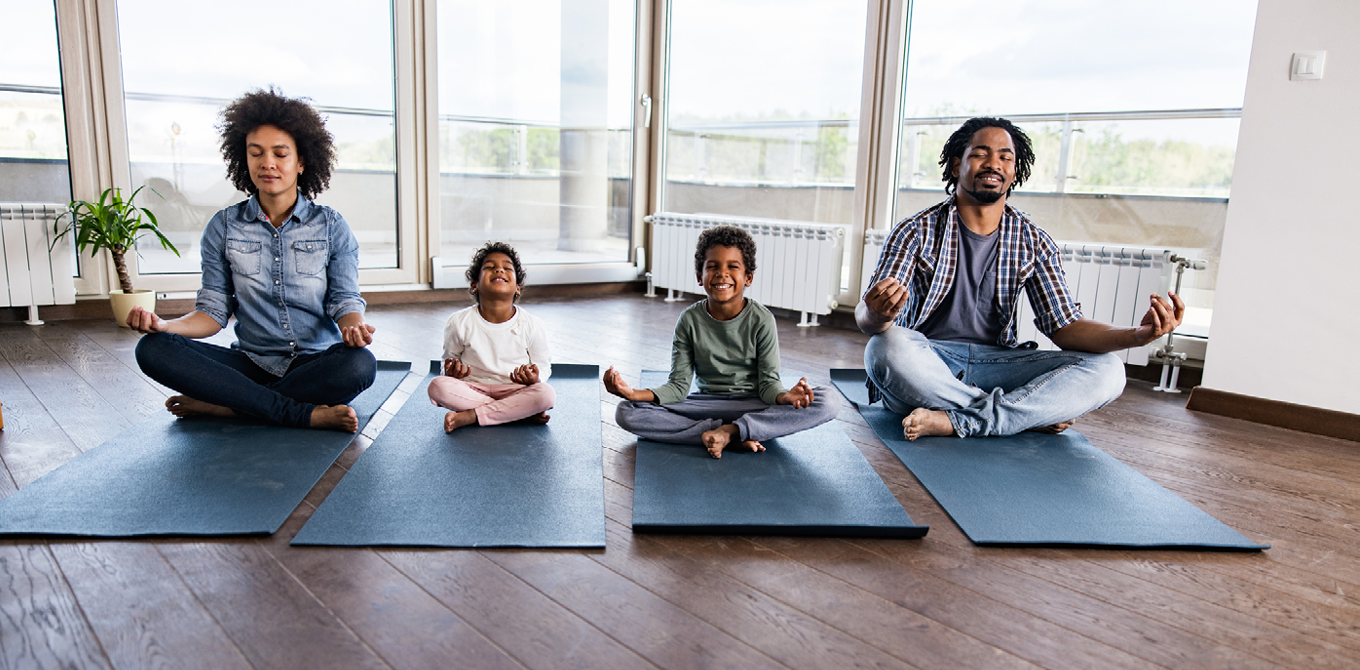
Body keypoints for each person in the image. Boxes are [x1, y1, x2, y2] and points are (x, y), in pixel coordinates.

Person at [856, 117, 1184, 440]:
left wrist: (1137, 336)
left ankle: (961, 420)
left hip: (998, 365)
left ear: (1014, 171)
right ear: (957, 166)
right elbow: (868, 321)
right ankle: (1021, 416)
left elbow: (1065, 327)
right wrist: (876, 314)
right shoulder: (914, 231)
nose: (993, 163)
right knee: (884, 347)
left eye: (1004, 157)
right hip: (928, 363)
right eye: (980, 154)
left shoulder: (1034, 240)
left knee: (1110, 371)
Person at [129, 88, 377, 433]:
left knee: (359, 365)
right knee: (152, 349)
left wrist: (353, 326)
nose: (267, 163)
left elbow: (345, 299)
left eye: (280, 153)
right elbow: (212, 313)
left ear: (301, 161)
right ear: (244, 159)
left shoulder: (331, 226)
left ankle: (230, 407)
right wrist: (165, 326)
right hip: (250, 362)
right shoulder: (224, 226)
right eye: (256, 153)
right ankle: (295, 412)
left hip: (316, 364)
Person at [606, 225, 840, 459]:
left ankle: (733, 431)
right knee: (627, 411)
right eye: (712, 266)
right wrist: (633, 393)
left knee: (828, 400)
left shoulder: (762, 320)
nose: (721, 273)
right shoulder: (689, 320)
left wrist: (786, 397)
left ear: (748, 277)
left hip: (755, 404)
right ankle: (720, 435)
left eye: (732, 267)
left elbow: (769, 385)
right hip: (706, 403)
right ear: (700, 276)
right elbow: (678, 387)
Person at [428, 242, 555, 433]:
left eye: (506, 268)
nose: (498, 270)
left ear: (517, 288)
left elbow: (543, 366)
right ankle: (517, 414)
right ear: (475, 285)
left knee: (546, 394)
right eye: (489, 267)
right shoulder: (458, 322)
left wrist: (535, 378)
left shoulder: (532, 324)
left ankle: (473, 416)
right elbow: (448, 360)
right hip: (472, 389)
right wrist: (450, 372)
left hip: (515, 390)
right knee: (437, 386)